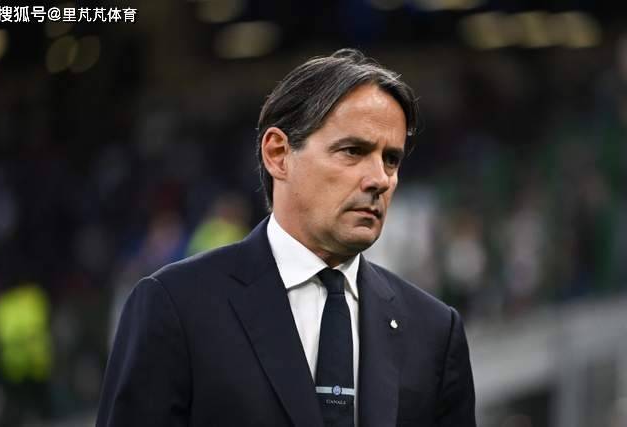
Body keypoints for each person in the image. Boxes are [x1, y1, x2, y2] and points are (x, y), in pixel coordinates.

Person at [96, 48, 476, 427]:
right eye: (353, 151)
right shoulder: (175, 308)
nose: (380, 179)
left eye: (391, 159)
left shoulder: (435, 331)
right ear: (278, 154)